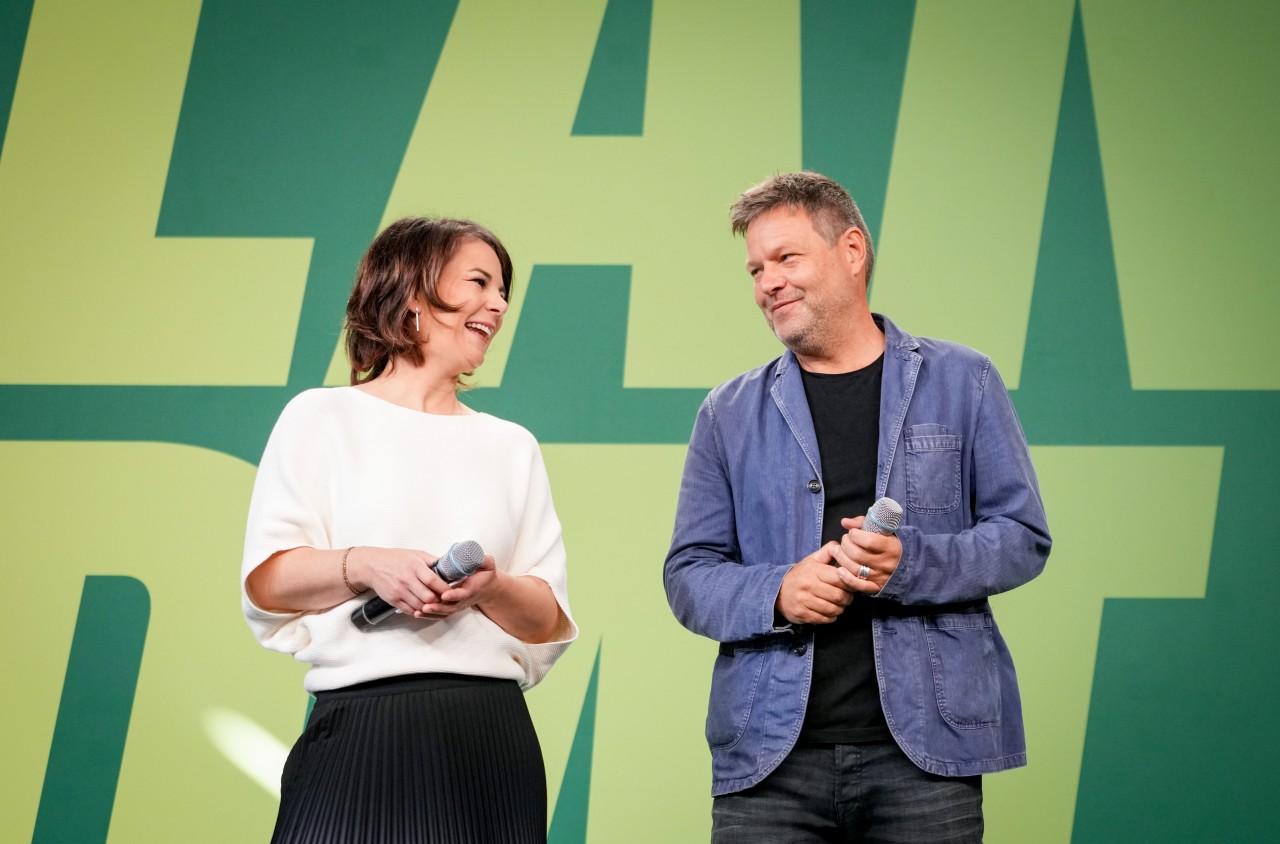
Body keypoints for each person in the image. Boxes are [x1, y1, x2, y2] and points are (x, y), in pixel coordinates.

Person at [664, 172, 1051, 843]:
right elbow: (689, 574)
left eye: (786, 258)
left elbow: (1021, 536)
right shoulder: (726, 412)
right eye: (755, 269)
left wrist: (911, 563)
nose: (767, 283)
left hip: (927, 758)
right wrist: (778, 591)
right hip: (769, 761)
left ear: (852, 251)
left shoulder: (965, 381)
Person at [241, 216, 576, 843]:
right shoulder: (322, 417)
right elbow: (268, 582)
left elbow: (547, 620)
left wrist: (490, 587)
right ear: (411, 292)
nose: (498, 305)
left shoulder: (512, 445)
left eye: (504, 291)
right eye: (479, 282)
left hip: (490, 740)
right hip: (363, 730)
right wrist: (364, 564)